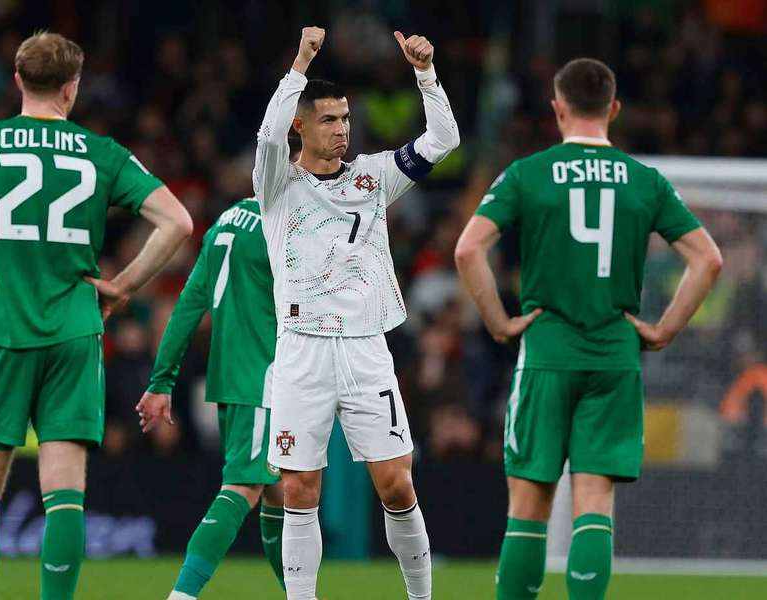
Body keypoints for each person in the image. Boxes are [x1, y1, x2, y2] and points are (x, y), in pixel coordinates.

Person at [0, 31, 193, 600]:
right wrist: (124, 285)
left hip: (4, 329)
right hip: (76, 334)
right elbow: (177, 222)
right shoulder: (102, 152)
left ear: (17, 81)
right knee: (65, 492)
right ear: (71, 88)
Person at [454, 58, 723, 600]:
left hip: (548, 350)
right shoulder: (645, 180)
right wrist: (664, 328)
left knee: (528, 503)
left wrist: (500, 321)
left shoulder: (528, 173)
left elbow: (468, 249)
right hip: (614, 355)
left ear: (557, 109)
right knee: (594, 500)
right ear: (614, 110)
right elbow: (708, 260)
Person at [253, 26, 459, 600]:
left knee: (396, 483)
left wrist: (426, 74)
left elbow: (443, 139)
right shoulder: (276, 184)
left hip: (367, 347)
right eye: (328, 119)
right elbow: (267, 138)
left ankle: (421, 596)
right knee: (298, 489)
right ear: (301, 123)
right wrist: (298, 64)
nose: (342, 129)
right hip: (302, 347)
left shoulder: (374, 177)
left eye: (345, 118)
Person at [137, 197, 285, 599]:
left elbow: (188, 305)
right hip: (264, 375)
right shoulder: (284, 222)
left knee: (279, 492)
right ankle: (182, 595)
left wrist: (161, 380)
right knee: (244, 487)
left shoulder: (225, 220)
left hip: (230, 375)